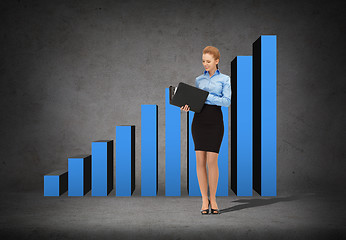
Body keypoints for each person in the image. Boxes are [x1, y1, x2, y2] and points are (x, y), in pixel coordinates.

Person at [181, 46, 231, 215]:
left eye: (208, 61)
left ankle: (214, 198)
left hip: (215, 121)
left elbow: (226, 102)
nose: (205, 64)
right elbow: (196, 102)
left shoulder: (225, 79)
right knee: (200, 161)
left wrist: (206, 96)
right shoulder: (198, 80)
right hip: (199, 120)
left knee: (212, 161)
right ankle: (204, 199)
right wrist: (188, 106)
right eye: (203, 61)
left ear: (217, 61)